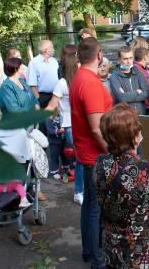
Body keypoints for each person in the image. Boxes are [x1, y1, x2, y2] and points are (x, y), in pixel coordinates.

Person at [95, 103, 149, 269]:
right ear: (134, 137)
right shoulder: (147, 170)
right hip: (147, 256)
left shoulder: (100, 164)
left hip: (113, 253)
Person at [70, 37, 113, 268]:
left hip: (86, 152)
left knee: (89, 204)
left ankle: (89, 251)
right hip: (94, 154)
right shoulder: (89, 82)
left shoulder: (80, 78)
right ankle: (98, 260)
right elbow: (97, 128)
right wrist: (115, 152)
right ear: (99, 55)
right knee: (96, 209)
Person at [46, 52, 84, 205]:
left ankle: (83, 190)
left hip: (82, 124)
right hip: (70, 126)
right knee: (81, 159)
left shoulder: (81, 80)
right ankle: (79, 192)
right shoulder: (62, 83)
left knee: (85, 159)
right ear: (74, 65)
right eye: (79, 62)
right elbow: (51, 106)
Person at [109, 46, 149, 115]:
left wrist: (127, 98)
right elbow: (121, 97)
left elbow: (147, 93)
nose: (129, 62)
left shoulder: (138, 73)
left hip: (141, 114)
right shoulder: (114, 77)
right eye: (125, 59)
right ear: (119, 59)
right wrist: (137, 92)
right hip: (124, 116)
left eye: (131, 58)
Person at [27, 40, 59, 109]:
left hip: (56, 95)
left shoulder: (54, 61)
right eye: (51, 48)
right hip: (43, 97)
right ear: (46, 50)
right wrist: (38, 98)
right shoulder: (34, 62)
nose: (53, 50)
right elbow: (32, 83)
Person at [133, 47, 149, 115]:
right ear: (145, 57)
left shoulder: (145, 67)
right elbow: (148, 86)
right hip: (145, 104)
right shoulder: (138, 69)